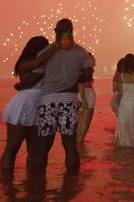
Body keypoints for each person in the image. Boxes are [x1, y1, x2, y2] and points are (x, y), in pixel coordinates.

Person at [31, 19, 94, 172]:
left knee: (43, 148)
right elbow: (87, 76)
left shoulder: (45, 52)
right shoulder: (81, 52)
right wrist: (73, 79)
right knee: (70, 146)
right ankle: (71, 186)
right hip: (69, 100)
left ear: (55, 31)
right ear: (72, 30)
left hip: (48, 100)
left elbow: (37, 76)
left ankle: (38, 187)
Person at [0, 36, 59, 171]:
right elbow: (40, 61)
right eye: (46, 46)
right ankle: (6, 183)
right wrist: (56, 46)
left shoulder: (45, 64)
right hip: (24, 104)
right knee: (12, 148)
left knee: (34, 149)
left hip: (40, 104)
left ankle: (31, 183)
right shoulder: (25, 64)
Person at [77, 53, 97, 144]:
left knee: (81, 122)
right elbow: (80, 84)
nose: (94, 60)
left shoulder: (86, 70)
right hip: (85, 96)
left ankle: (79, 144)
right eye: (92, 58)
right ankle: (80, 145)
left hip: (83, 95)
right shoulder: (86, 70)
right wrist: (84, 100)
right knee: (85, 123)